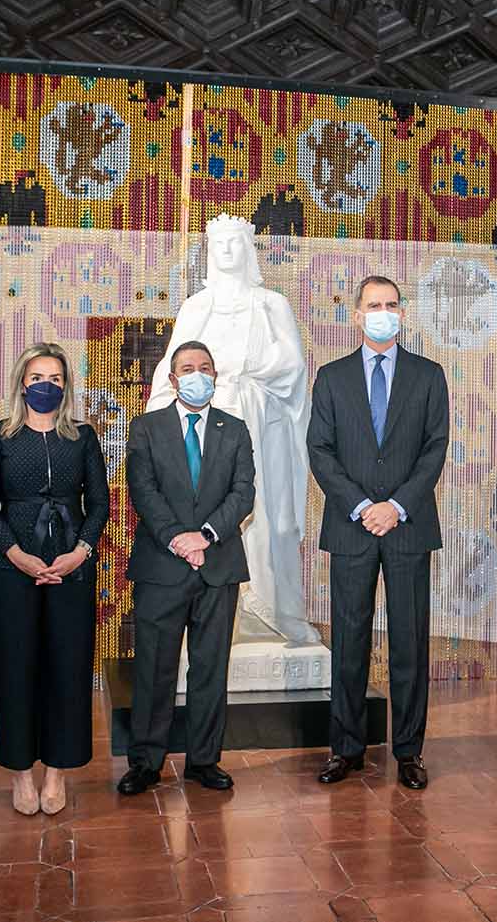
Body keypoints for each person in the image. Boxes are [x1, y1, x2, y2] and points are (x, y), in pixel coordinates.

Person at [146, 213, 320, 645]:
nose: (226, 250)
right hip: (206, 434)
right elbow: (171, 369)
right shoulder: (195, 307)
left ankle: (278, 611)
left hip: (264, 425)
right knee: (209, 515)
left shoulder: (271, 304)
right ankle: (213, 620)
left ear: (248, 248)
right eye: (218, 242)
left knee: (271, 518)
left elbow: (294, 365)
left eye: (234, 242)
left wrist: (249, 372)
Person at [308, 275, 449, 790]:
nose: (382, 312)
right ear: (356, 314)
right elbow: (319, 450)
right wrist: (366, 506)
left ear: (403, 313)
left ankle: (409, 750)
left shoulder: (429, 375)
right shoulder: (332, 376)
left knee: (410, 641)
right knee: (349, 640)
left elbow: (435, 447)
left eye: (391, 304)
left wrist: (397, 506)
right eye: (373, 305)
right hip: (352, 527)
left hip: (408, 527)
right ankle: (345, 749)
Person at [0, 342, 109, 816]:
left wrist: (80, 553)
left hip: (73, 568)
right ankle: (21, 775)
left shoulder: (83, 438)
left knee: (68, 669)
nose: (45, 386)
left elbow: (100, 504)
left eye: (54, 378)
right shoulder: (0, 437)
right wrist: (16, 554)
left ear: (66, 385)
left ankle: (56, 772)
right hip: (12, 569)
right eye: (36, 378)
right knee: (16, 668)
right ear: (21, 383)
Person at [117, 340, 256, 795]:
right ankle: (145, 761)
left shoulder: (234, 429)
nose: (198, 375)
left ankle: (204, 759)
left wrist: (206, 536)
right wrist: (179, 538)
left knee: (210, 668)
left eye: (206, 368)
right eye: (188, 368)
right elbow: (144, 491)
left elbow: (243, 493)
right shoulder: (146, 428)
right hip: (162, 566)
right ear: (173, 380)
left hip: (218, 565)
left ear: (216, 376)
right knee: (155, 668)